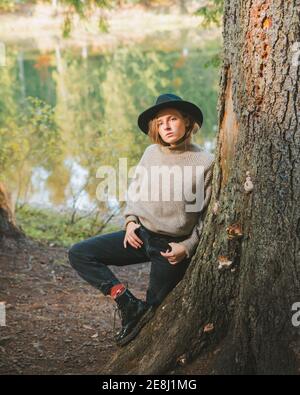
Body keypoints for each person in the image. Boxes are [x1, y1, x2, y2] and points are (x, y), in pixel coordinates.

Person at [68, 93, 215, 347]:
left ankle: (141, 312)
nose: (166, 126)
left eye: (173, 119)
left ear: (188, 121)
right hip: (139, 234)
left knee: (154, 311)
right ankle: (125, 302)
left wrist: (187, 247)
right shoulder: (151, 153)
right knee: (80, 253)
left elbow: (207, 216)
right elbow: (135, 193)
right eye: (160, 122)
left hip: (171, 246)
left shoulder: (204, 162)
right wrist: (130, 221)